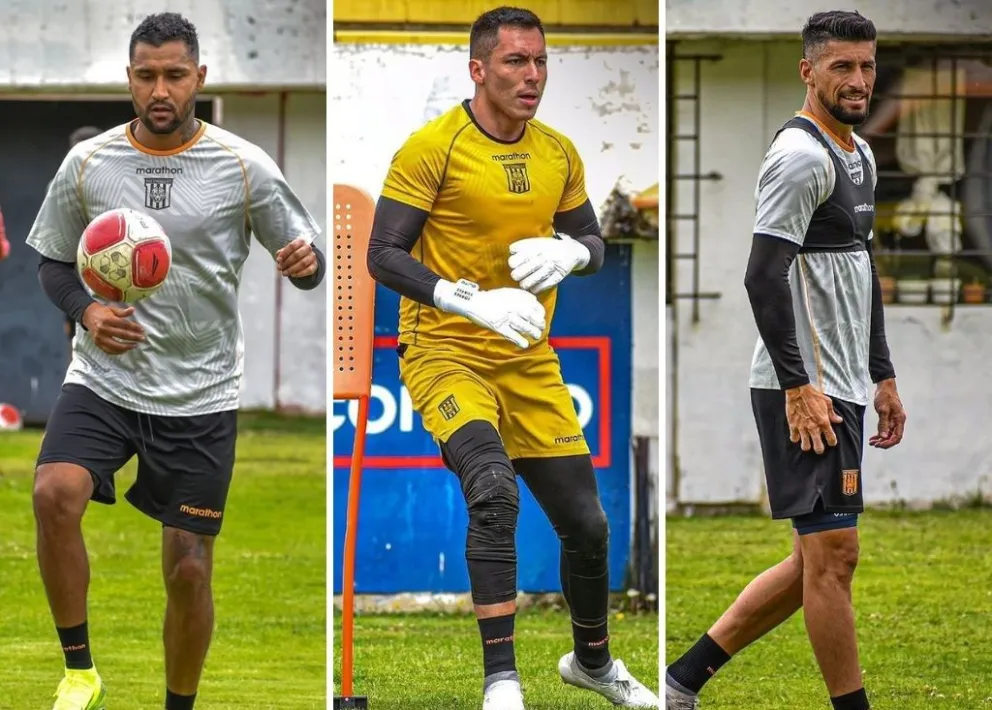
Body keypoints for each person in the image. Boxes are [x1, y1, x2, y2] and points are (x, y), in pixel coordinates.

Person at [26, 13, 324, 710]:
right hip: (105, 378)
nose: (160, 89)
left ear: (201, 79)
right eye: (146, 75)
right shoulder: (89, 163)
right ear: (129, 78)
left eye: (174, 75)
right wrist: (87, 310)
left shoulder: (244, 166)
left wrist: (304, 264)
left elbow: (304, 260)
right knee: (52, 494)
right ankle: (79, 672)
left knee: (189, 570)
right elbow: (50, 258)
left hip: (201, 391)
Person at [366, 6, 659, 710]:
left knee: (587, 526)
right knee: (492, 490)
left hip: (528, 359)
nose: (532, 76)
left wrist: (571, 253)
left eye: (540, 62)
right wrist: (464, 300)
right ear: (478, 69)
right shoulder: (430, 148)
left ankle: (592, 663)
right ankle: (502, 681)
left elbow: (588, 239)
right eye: (515, 62)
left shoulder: (558, 152)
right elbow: (382, 255)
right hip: (443, 351)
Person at [665, 11, 907, 710]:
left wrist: (883, 373)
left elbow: (860, 271)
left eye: (866, 66)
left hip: (843, 384)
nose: (858, 80)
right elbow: (761, 276)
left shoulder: (857, 155)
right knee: (835, 558)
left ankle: (683, 682)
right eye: (841, 67)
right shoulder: (801, 157)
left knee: (812, 558)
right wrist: (801, 389)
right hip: (804, 390)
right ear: (809, 71)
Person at [60, 126, 105, 344]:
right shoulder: (61, 188)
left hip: (113, 280)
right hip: (78, 283)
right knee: (76, 339)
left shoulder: (113, 187)